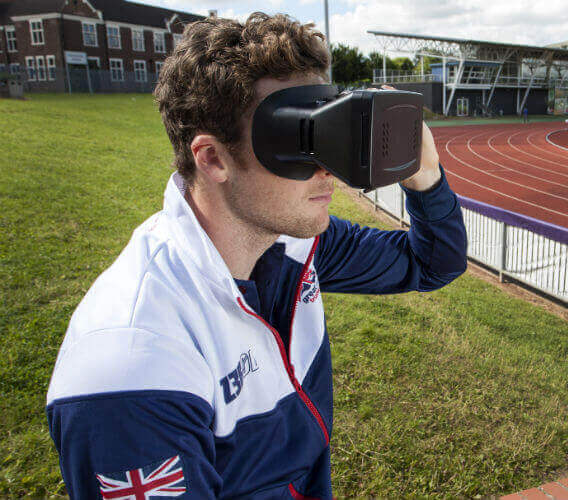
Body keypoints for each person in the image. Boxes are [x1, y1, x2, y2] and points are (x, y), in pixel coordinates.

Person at [46, 13, 467, 499]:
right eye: (303, 140)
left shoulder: (294, 244)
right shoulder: (130, 371)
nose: (329, 168)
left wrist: (426, 177)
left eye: (332, 129)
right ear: (212, 158)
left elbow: (432, 261)